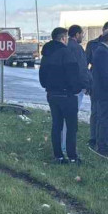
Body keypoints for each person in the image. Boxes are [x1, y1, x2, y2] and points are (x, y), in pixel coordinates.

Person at [39, 27, 86, 165]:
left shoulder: (46, 54)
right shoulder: (66, 53)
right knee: (71, 127)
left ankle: (58, 156)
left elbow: (42, 76)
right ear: (63, 38)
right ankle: (72, 157)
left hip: (52, 94)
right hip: (67, 94)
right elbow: (74, 75)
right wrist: (76, 89)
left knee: (56, 125)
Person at [86, 21, 108, 148]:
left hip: (107, 90)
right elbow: (104, 74)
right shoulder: (100, 49)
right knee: (101, 116)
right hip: (103, 91)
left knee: (107, 117)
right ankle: (101, 143)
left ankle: (106, 140)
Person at [61, 25, 91, 156]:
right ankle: (67, 149)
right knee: (71, 120)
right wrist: (87, 85)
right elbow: (82, 69)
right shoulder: (77, 48)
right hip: (75, 89)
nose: (82, 37)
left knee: (61, 120)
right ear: (77, 34)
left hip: (63, 87)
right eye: (82, 34)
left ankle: (61, 146)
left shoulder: (64, 47)